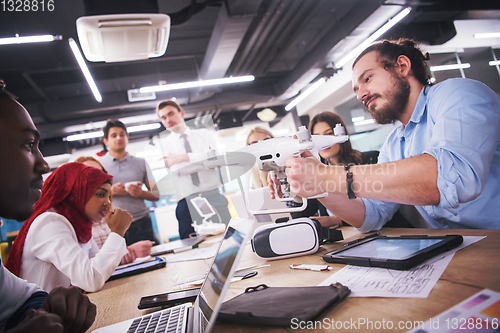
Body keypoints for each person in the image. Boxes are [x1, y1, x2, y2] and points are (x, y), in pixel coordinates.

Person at [271, 38, 500, 231]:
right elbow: (371, 215)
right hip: (464, 250)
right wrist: (316, 186)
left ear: (402, 66)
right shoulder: (394, 144)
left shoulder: (457, 94)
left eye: (367, 79)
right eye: (356, 89)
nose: (361, 95)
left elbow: (450, 179)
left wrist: (327, 176)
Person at [0, 80, 95, 333]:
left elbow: (22, 299)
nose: (44, 165)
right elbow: (91, 276)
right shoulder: (51, 222)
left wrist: (50, 307)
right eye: (28, 144)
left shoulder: (81, 224)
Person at [6, 162, 133, 293]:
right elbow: (91, 279)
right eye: (101, 194)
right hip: (41, 311)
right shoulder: (49, 223)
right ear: (75, 192)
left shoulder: (79, 223)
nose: (108, 203)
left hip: (61, 309)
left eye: (109, 196)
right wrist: (117, 232)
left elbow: (98, 267)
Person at [156, 100, 231, 239]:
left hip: (213, 196)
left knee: (228, 238)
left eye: (171, 114)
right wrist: (203, 160)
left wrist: (184, 157)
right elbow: (176, 170)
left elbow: (215, 159)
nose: (168, 120)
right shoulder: (164, 144)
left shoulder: (204, 134)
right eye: (163, 117)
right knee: (191, 246)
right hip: (186, 203)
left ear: (182, 113)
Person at [289, 111, 379, 225]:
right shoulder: (316, 174)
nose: (323, 141)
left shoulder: (370, 160)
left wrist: (337, 220)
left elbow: (379, 210)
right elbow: (301, 216)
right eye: (317, 136)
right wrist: (292, 184)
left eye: (328, 134)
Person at [74, 156, 154, 264]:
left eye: (101, 173)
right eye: (90, 173)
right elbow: (88, 266)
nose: (98, 178)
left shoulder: (104, 212)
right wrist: (130, 251)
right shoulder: (73, 218)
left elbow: (109, 253)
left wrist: (128, 251)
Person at [100, 119, 160, 245]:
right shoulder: (99, 166)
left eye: (122, 134)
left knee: (152, 260)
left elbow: (156, 195)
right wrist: (111, 192)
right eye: (114, 135)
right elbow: (92, 197)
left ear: (127, 137)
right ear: (106, 141)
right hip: (113, 226)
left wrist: (141, 193)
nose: (119, 138)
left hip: (142, 222)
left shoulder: (141, 162)